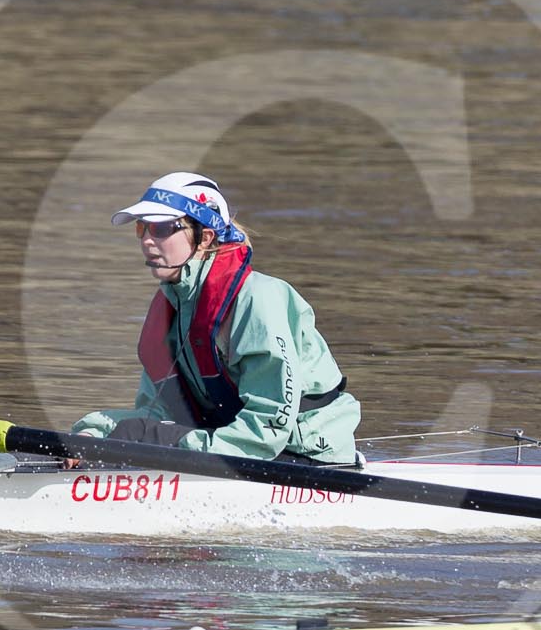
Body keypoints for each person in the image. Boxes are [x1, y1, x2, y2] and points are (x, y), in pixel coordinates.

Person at [71, 172, 360, 465]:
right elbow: (157, 415)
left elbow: (268, 428)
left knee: (138, 433)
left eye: (160, 228)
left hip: (307, 453)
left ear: (205, 237)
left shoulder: (258, 299)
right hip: (232, 445)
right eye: (142, 228)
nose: (146, 241)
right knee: (130, 432)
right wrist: (94, 433)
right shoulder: (174, 308)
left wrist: (172, 444)